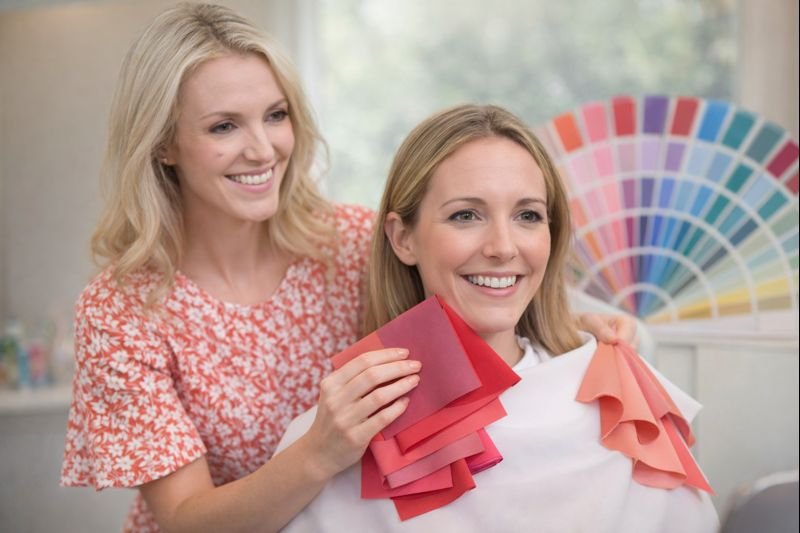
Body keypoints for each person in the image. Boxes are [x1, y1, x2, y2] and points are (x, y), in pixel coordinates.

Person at [59, 4, 638, 533]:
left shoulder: (353, 243)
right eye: (223, 126)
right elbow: (185, 521)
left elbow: (479, 297)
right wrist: (319, 452)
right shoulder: (121, 311)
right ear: (163, 143)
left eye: (275, 115)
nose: (262, 149)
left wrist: (569, 328)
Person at [276, 104, 720, 532]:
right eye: (466, 215)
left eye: (528, 215)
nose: (503, 247)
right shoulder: (333, 435)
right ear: (403, 238)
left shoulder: (623, 401)